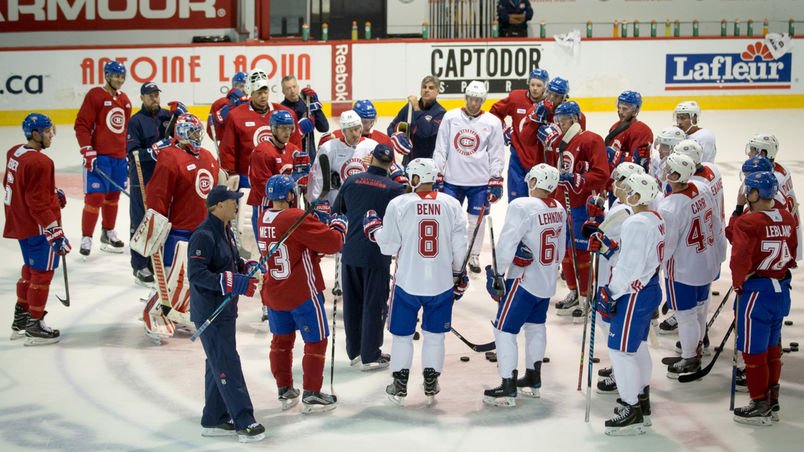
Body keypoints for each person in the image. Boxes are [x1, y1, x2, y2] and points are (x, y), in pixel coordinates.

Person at [362, 158, 468, 405]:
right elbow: (460, 246)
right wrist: (458, 275)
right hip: (441, 284)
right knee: (434, 336)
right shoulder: (451, 204)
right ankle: (431, 382)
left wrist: (373, 229)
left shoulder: (399, 204)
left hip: (407, 283)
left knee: (402, 337)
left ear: (415, 178)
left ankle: (399, 384)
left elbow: (388, 246)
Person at [257, 175, 345, 413]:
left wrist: (314, 223)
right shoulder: (294, 217)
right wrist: (337, 224)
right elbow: (333, 243)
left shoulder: (262, 217)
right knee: (316, 341)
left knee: (281, 341)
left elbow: (299, 245)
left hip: (274, 292)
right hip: (301, 291)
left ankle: (284, 389)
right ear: (289, 195)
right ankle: (312, 394)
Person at [482, 163, 565, 407]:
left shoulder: (521, 206)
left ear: (534, 182)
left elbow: (507, 244)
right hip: (547, 280)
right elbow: (559, 251)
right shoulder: (558, 208)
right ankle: (533, 378)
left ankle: (508, 386)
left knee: (504, 330)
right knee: (536, 327)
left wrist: (497, 273)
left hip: (523, 281)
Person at [187, 186, 264, 443]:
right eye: (233, 201)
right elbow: (197, 275)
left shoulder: (226, 231)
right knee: (227, 363)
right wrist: (229, 282)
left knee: (217, 362)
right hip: (210, 312)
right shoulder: (203, 235)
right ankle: (244, 421)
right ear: (218, 205)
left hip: (226, 310)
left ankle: (214, 418)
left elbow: (228, 263)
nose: (237, 205)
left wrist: (245, 266)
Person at [594, 172, 664, 436]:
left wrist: (610, 292)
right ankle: (641, 401)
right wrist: (609, 249)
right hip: (649, 289)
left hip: (633, 294)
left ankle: (631, 408)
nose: (623, 190)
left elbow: (629, 267)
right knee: (638, 347)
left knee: (620, 352)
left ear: (638, 195)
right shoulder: (655, 218)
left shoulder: (634, 223)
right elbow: (636, 256)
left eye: (628, 188)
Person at [727, 171, 796, 426]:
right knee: (772, 348)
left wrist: (738, 283)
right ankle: (771, 398)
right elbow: (793, 251)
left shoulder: (749, 222)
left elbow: (739, 254)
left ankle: (759, 403)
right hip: (781, 291)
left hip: (756, 293)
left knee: (753, 352)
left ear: (754, 193)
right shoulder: (787, 217)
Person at [332, 144, 406, 370]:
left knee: (352, 304)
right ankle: (370, 354)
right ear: (391, 164)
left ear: (371, 158)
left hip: (351, 252)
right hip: (376, 255)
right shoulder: (394, 189)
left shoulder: (352, 181)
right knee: (374, 305)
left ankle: (354, 351)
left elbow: (337, 211)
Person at [3, 113, 70, 345]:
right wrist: (55, 232)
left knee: (29, 270)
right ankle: (34, 325)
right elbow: (37, 203)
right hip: (38, 227)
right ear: (35, 134)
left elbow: (22, 187)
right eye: (48, 131)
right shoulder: (41, 162)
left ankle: (20, 320)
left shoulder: (15, 152)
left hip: (20, 223)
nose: (52, 135)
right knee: (42, 273)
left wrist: (52, 194)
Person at [538, 101, 608, 316]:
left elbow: (602, 174)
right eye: (557, 119)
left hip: (582, 206)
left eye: (563, 119)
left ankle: (587, 296)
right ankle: (573, 291)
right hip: (562, 203)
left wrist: (578, 179)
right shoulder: (559, 141)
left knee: (581, 252)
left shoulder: (591, 139)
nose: (559, 123)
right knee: (565, 251)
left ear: (575, 118)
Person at [657, 153, 721, 377]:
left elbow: (667, 245)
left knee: (685, 315)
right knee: (700, 308)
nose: (665, 173)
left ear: (676, 175)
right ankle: (697, 347)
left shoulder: (670, 206)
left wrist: (655, 267)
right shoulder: (701, 189)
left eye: (669, 170)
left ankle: (689, 358)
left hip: (683, 268)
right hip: (705, 261)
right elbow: (715, 222)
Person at [433, 80, 505, 274]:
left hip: (479, 182)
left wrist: (496, 178)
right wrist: (437, 173)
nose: (474, 103)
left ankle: (473, 254)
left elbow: (497, 152)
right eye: (471, 99)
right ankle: (449, 253)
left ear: (482, 100)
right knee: (450, 220)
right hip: (451, 180)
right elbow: (441, 148)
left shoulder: (492, 122)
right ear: (466, 98)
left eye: (478, 100)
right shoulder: (450, 117)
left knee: (475, 221)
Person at [586, 162, 645, 394]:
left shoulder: (624, 211)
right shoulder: (624, 205)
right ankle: (620, 370)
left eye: (619, 181)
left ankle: (625, 378)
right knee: (609, 324)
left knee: (609, 325)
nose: (614, 184)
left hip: (614, 275)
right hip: (612, 271)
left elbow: (596, 234)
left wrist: (594, 221)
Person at [145, 113, 220, 268]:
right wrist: (157, 225)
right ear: (182, 132)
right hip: (178, 232)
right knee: (173, 281)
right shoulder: (169, 156)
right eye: (193, 131)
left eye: (198, 131)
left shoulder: (207, 156)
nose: (197, 136)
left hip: (205, 231)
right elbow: (158, 194)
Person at [74, 60, 132, 257]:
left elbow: (125, 130)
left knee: (113, 197)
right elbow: (82, 124)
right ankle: (87, 236)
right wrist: (87, 150)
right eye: (116, 76)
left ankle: (108, 232)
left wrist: (128, 153)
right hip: (100, 157)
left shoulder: (125, 100)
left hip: (119, 158)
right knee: (95, 197)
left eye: (122, 77)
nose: (120, 80)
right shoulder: (95, 95)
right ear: (107, 75)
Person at [126, 82, 172, 285]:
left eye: (156, 95)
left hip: (163, 178)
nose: (154, 99)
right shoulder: (135, 122)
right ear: (142, 98)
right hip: (142, 180)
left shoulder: (167, 116)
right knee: (139, 222)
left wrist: (182, 113)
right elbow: (132, 153)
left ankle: (156, 260)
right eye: (150, 95)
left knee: (161, 220)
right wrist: (153, 150)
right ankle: (139, 265)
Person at [490, 68, 550, 202]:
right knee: (516, 202)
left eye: (539, 85)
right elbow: (494, 112)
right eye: (532, 84)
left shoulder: (549, 105)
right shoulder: (516, 97)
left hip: (540, 160)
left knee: (539, 203)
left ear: (545, 87)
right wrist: (504, 129)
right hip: (517, 157)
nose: (535, 89)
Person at [246, 110, 307, 239]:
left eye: (290, 128)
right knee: (269, 251)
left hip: (290, 208)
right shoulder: (262, 152)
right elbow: (261, 186)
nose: (287, 132)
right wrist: (291, 182)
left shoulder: (294, 150)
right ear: (273, 129)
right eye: (283, 128)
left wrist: (304, 179)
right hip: (267, 209)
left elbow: (303, 182)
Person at [744, 133, 802, 261]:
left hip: (780, 232)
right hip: (790, 224)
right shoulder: (781, 169)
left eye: (753, 149)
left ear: (763, 153)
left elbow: (766, 210)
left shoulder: (769, 180)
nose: (749, 153)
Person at [307, 110, 380, 206]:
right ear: (343, 131)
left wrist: (377, 164)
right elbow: (318, 177)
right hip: (337, 202)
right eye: (350, 130)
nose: (354, 133)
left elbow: (383, 176)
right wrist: (316, 201)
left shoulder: (373, 147)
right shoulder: (328, 148)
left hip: (365, 202)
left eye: (356, 129)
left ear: (361, 129)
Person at [387, 75, 447, 164]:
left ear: (437, 91)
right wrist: (396, 138)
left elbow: (426, 132)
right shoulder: (409, 108)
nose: (426, 90)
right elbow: (391, 127)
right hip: (408, 162)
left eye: (431, 88)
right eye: (424, 87)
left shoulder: (440, 113)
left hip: (429, 164)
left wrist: (416, 108)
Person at [280, 75, 329, 160]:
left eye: (294, 86)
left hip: (310, 156)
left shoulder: (307, 104)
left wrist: (315, 105)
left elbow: (324, 128)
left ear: (298, 87)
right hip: (290, 157)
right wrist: (298, 131)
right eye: (288, 88)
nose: (292, 91)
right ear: (283, 91)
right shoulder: (281, 110)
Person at [605, 91, 653, 173]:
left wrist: (614, 156)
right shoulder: (615, 126)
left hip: (627, 181)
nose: (620, 112)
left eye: (625, 109)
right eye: (619, 108)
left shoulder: (642, 131)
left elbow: (640, 164)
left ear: (635, 110)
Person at [207, 71, 247, 144]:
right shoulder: (220, 103)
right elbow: (213, 134)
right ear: (234, 86)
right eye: (241, 86)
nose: (244, 90)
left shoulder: (254, 104)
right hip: (228, 149)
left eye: (246, 86)